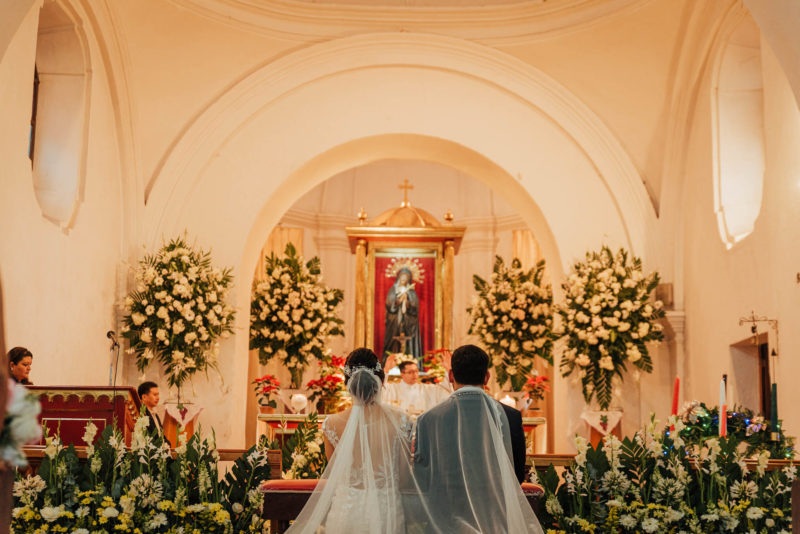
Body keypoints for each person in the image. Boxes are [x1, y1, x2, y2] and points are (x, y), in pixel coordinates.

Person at [413, 344, 543, 533]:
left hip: (444, 520)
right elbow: (515, 471)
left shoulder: (428, 419)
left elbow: (422, 478)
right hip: (495, 517)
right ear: (487, 376)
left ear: (450, 376)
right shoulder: (511, 416)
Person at [286, 348, 415, 533]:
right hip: (386, 509)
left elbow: (334, 473)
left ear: (348, 383)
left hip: (346, 510)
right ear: (381, 379)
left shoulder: (331, 424)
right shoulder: (402, 421)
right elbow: (404, 477)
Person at [382, 353, 452, 414]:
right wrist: (386, 370)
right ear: (402, 374)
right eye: (410, 372)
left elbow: (445, 389)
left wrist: (448, 370)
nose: (415, 374)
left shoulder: (427, 389)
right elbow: (380, 389)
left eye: (416, 371)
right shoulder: (393, 389)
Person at [383, 267, 421, 360]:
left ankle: (409, 359)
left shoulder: (411, 291)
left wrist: (407, 300)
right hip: (395, 319)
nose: (403, 279)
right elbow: (389, 304)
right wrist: (399, 301)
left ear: (408, 279)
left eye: (405, 278)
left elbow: (415, 307)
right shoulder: (393, 290)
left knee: (408, 341)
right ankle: (392, 361)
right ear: (399, 278)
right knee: (394, 340)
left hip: (409, 321)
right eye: (402, 277)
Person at [137, 381, 170, 446]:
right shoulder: (141, 413)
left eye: (158, 394)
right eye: (155, 395)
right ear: (144, 397)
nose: (158, 398)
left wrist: (168, 445)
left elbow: (160, 434)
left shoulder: (154, 413)